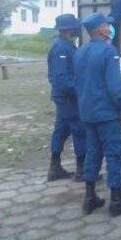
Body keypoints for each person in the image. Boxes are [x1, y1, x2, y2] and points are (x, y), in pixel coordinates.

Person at [74, 12, 121, 216]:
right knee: (114, 154)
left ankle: (90, 197)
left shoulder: (80, 53)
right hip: (106, 114)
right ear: (99, 30)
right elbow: (115, 87)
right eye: (107, 25)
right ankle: (117, 200)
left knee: (93, 153)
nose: (109, 28)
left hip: (87, 112)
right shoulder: (108, 51)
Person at [46, 14, 89, 182]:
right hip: (68, 98)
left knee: (61, 130)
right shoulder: (60, 48)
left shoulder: (65, 45)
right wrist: (80, 91)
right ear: (69, 29)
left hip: (65, 97)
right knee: (80, 131)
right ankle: (82, 171)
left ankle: (54, 168)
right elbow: (61, 79)